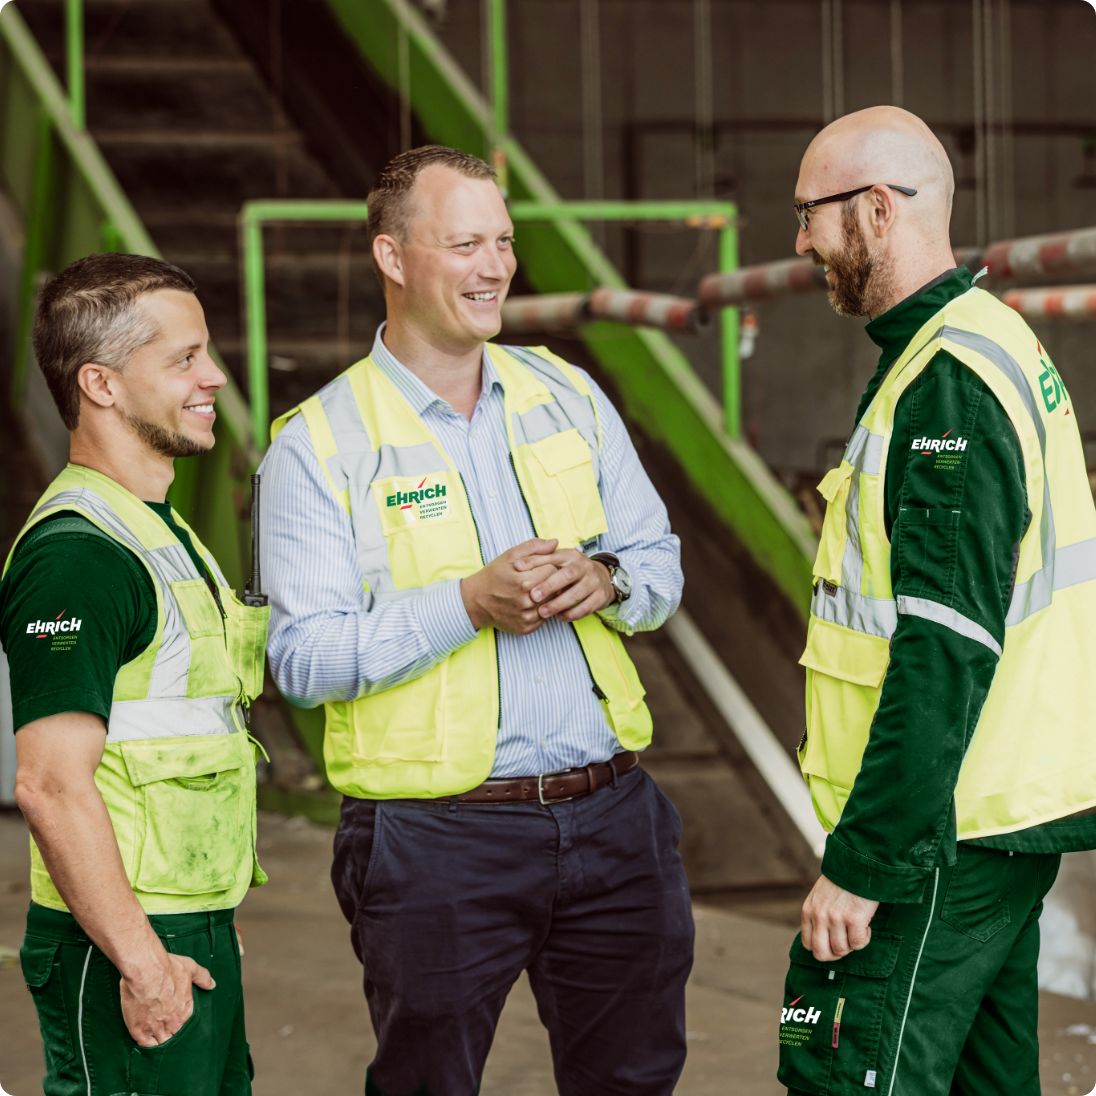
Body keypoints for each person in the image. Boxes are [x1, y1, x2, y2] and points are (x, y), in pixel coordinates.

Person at [261, 144, 693, 1096]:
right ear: (393, 257)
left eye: (503, 241)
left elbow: (659, 561)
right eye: (465, 243)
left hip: (614, 815)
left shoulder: (567, 394)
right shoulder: (319, 444)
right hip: (436, 842)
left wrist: (608, 577)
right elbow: (300, 657)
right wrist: (467, 604)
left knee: (635, 1079)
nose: (496, 266)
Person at [779, 105, 1096, 1095]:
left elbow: (942, 641)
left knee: (837, 1067)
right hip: (994, 822)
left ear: (874, 210)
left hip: (936, 837)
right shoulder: (978, 340)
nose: (799, 243)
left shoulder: (948, 381)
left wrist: (866, 859)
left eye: (810, 216)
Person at [1, 253, 269, 1095]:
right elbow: (48, 784)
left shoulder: (157, 530)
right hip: (123, 941)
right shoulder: (79, 556)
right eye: (184, 358)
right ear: (102, 384)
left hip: (190, 922)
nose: (215, 376)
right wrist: (143, 961)